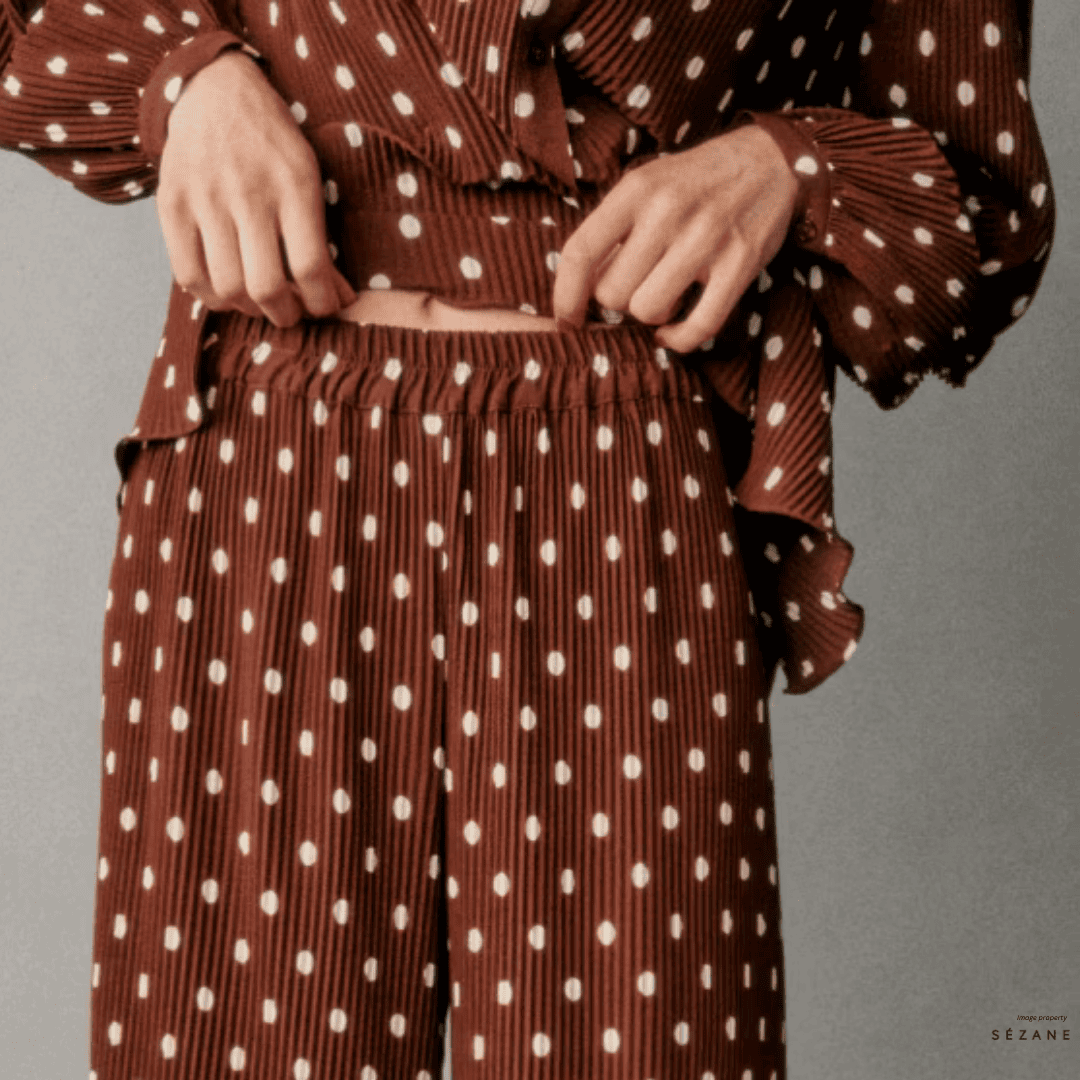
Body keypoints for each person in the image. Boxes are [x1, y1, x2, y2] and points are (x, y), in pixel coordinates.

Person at [0, 1, 1055, 1078]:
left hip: (623, 487)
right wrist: (184, 79)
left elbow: (985, 212)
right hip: (263, 471)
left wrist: (788, 166)